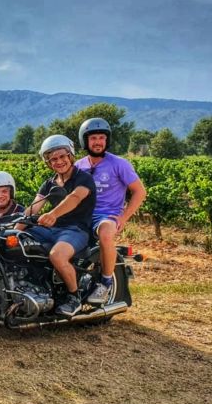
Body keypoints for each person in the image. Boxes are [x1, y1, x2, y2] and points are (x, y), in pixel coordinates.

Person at [75, 117, 146, 304]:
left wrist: (123, 217)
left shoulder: (119, 164)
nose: (98, 142)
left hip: (106, 216)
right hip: (82, 216)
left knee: (106, 234)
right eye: (93, 138)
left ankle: (105, 283)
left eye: (101, 137)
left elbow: (139, 191)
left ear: (107, 140)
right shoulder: (79, 166)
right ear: (85, 141)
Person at [24, 135, 97, 317]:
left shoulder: (84, 178)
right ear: (48, 163)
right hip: (52, 230)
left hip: (76, 230)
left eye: (62, 156)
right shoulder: (49, 184)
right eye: (53, 159)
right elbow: (34, 207)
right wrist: (14, 225)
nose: (59, 161)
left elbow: (73, 198)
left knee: (57, 255)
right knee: (18, 240)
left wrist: (53, 214)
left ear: (70, 155)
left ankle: (74, 297)